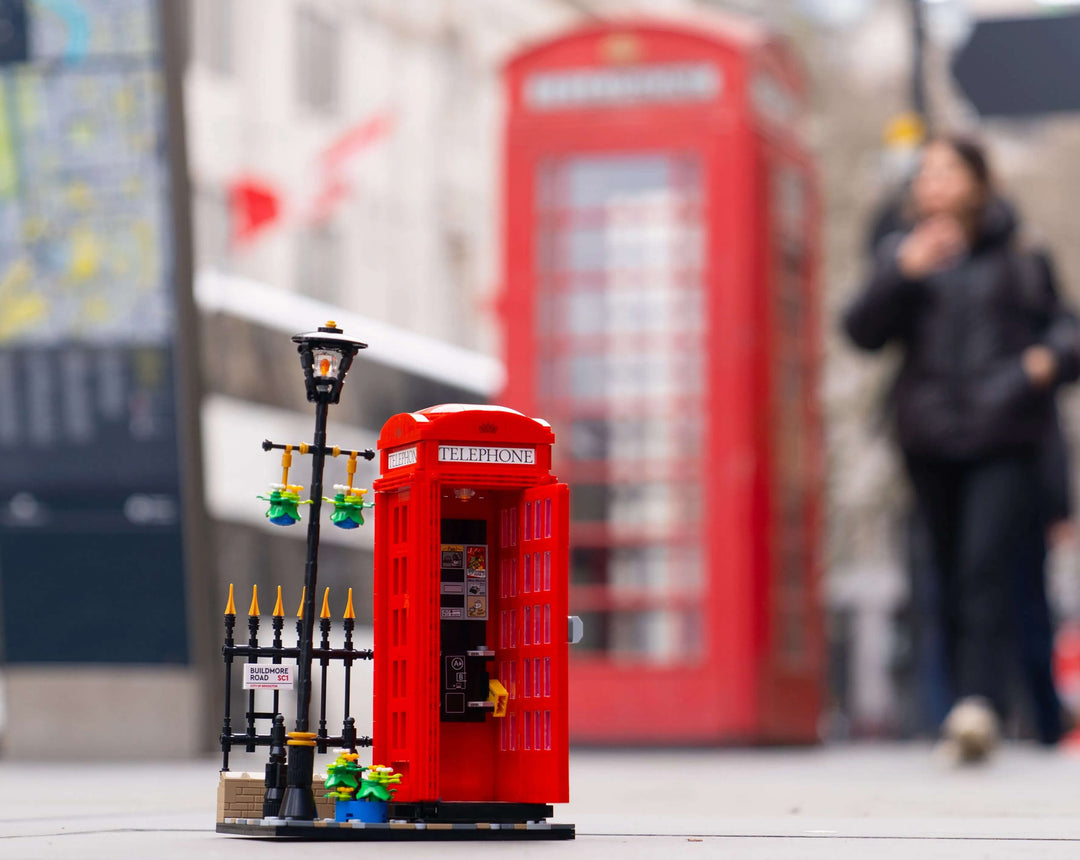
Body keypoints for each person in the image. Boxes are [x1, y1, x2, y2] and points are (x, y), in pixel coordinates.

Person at [843, 135, 1080, 760]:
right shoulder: (903, 252)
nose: (934, 181)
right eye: (925, 172)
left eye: (949, 170)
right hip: (927, 438)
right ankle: (959, 707)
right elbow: (860, 332)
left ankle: (980, 706)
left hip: (1004, 434)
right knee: (942, 571)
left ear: (978, 180)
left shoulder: (1022, 253)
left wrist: (1041, 361)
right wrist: (903, 271)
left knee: (984, 567)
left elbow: (1068, 332)